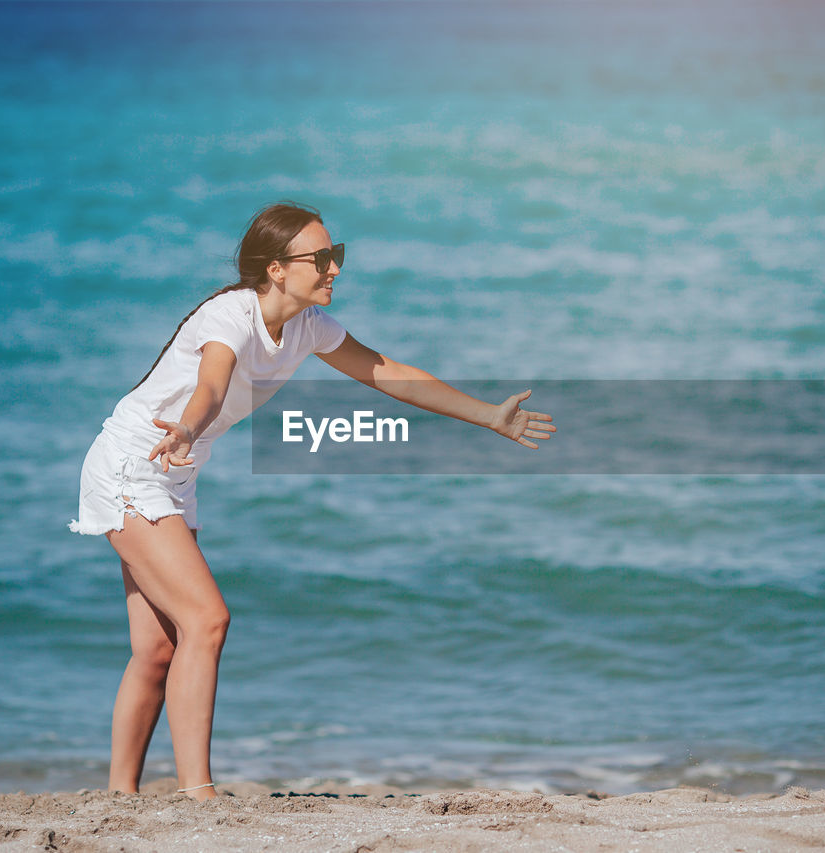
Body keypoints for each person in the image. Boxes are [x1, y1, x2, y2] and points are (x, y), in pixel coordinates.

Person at [69, 202, 556, 799]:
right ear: (276, 269)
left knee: (158, 648)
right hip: (135, 462)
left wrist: (488, 416)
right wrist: (191, 429)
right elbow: (211, 384)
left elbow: (387, 372)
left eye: (337, 256)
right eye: (322, 259)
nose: (335, 269)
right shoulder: (230, 316)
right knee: (207, 620)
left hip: (176, 471)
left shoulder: (307, 327)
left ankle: (122, 799)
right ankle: (198, 793)